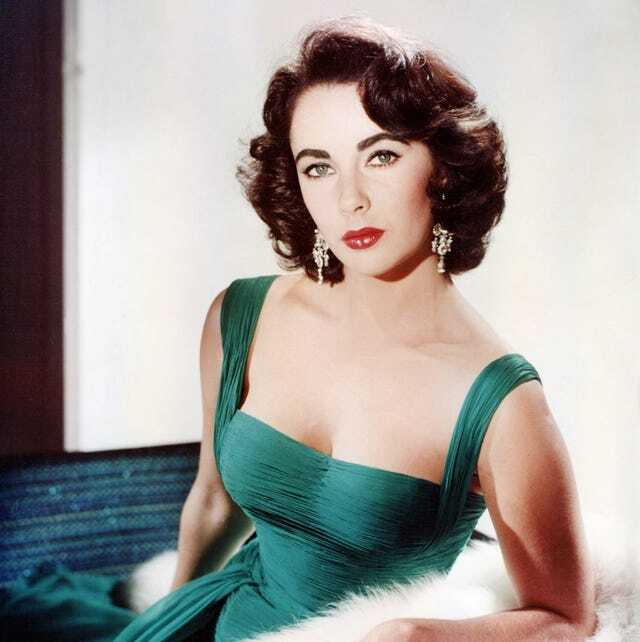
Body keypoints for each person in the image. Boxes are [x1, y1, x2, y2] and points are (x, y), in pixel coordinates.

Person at [1, 15, 597, 642]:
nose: (350, 199)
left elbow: (568, 617)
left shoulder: (501, 401)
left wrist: (414, 636)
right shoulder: (243, 315)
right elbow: (214, 500)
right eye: (319, 167)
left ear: (444, 169)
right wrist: (165, 624)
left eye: (382, 156)